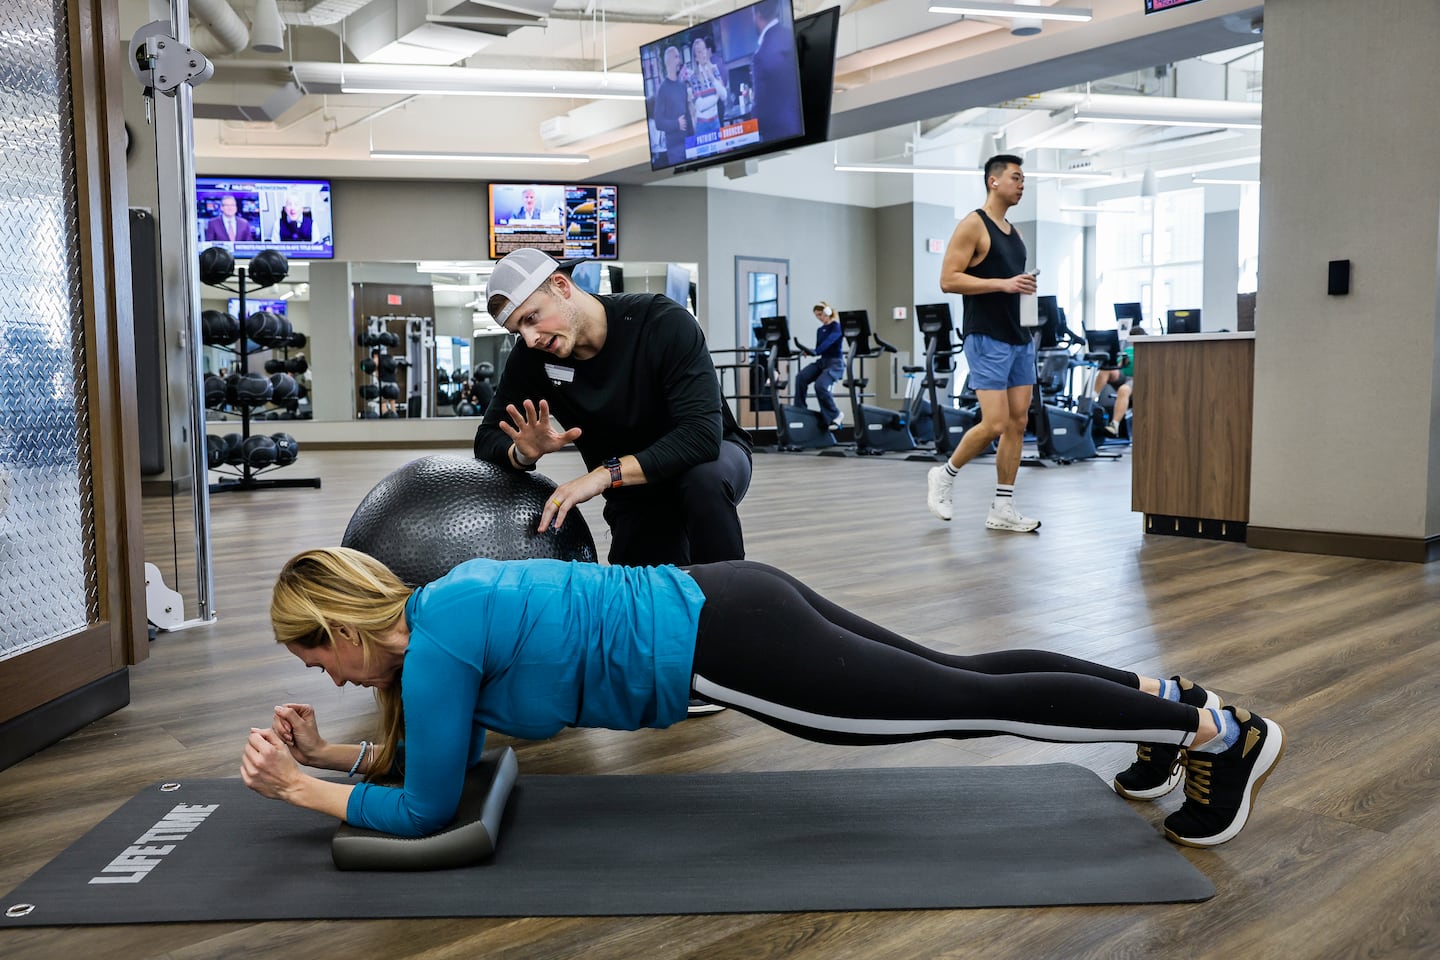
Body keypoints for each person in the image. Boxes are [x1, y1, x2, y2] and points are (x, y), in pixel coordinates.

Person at [242, 547, 1286, 851]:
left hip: (726, 645)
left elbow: (428, 812)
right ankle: (1161, 700)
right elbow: (440, 764)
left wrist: (297, 789)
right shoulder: (442, 609)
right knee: (960, 678)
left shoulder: (428, 653)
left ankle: (1213, 733)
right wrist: (334, 759)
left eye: (316, 660)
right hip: (732, 593)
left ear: (340, 629)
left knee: (960, 706)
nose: (326, 679)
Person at [926, 154, 1041, 532]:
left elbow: (1013, 283)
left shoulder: (1016, 232)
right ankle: (944, 475)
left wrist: (1023, 289)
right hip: (986, 336)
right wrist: (1004, 284)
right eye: (1016, 177)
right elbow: (949, 279)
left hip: (1019, 335)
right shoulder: (973, 225)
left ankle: (1002, 507)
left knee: (1018, 423)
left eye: (1024, 179)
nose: (1022, 184)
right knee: (994, 423)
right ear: (994, 181)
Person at [748, 0, 803, 143]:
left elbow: (760, 106)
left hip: (777, 134)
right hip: (799, 125)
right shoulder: (791, 36)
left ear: (757, 15)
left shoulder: (761, 55)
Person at [792, 301, 845, 429]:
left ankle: (835, 414)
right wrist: (809, 351)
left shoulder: (836, 327)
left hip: (835, 363)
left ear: (827, 312)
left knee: (820, 385)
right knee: (801, 377)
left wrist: (816, 351)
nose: (819, 318)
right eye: (817, 316)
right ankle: (800, 410)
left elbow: (829, 342)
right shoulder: (820, 330)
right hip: (823, 361)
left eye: (821, 314)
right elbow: (819, 347)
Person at [1093, 325, 1141, 438]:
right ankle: (1091, 398)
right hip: (1125, 377)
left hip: (1138, 379)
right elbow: (1118, 366)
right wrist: (1123, 362)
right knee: (1106, 370)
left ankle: (1114, 425)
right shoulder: (1128, 350)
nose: (1133, 342)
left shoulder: (1147, 350)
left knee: (1123, 389)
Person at [651, 45, 692, 166]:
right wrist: (676, 124)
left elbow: (687, 115)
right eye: (676, 57)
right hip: (675, 149)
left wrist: (693, 140)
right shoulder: (663, 90)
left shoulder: (682, 85)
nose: (679, 61)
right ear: (668, 61)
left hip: (688, 144)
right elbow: (658, 122)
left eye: (679, 57)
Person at [684, 36, 727, 140]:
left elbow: (724, 95)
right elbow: (700, 106)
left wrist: (712, 78)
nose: (703, 53)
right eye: (699, 52)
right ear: (696, 57)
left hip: (716, 121)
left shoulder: (714, 69)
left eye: (704, 49)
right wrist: (716, 97)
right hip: (702, 126)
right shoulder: (693, 77)